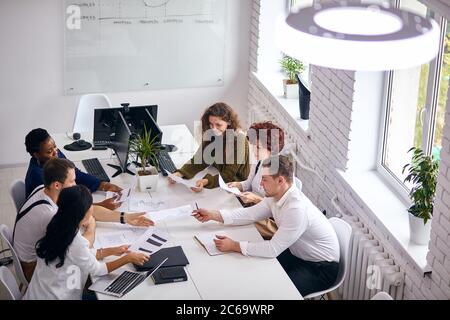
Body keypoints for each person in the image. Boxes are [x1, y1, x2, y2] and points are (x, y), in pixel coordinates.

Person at [192, 155, 340, 296]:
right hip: (296, 253)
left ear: (280, 181)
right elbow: (250, 214)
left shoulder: (296, 210)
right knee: (253, 272)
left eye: (264, 179)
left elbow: (272, 249)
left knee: (273, 294)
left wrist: (234, 245)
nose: (261, 185)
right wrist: (213, 215)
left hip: (319, 268)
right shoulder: (277, 195)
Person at [14, 158, 153, 282]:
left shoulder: (44, 189)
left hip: (42, 262)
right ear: (57, 185)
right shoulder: (49, 214)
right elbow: (82, 246)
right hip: (34, 269)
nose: (75, 184)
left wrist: (125, 217)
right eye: (72, 181)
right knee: (96, 280)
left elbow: (88, 210)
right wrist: (91, 226)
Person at [23, 185, 149, 300]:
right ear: (83, 215)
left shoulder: (56, 224)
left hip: (39, 292)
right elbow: (98, 270)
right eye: (91, 208)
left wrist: (112, 251)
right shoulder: (75, 240)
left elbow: (75, 255)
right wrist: (128, 258)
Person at [24, 128, 121, 209]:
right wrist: (101, 206)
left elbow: (75, 173)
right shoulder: (38, 176)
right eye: (49, 151)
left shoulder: (56, 156)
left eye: (55, 146)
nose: (55, 152)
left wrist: (103, 185)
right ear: (36, 155)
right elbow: (62, 206)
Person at [168, 102, 250, 192]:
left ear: (229, 122)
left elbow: (229, 175)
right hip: (218, 174)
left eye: (218, 125)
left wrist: (206, 181)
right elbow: (200, 159)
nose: (213, 128)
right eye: (211, 124)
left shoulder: (239, 140)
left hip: (235, 184)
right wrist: (180, 173)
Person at [227, 121, 288, 239]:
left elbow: (278, 209)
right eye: (253, 146)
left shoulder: (280, 174)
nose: (254, 151)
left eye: (258, 147)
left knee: (232, 225)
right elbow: (248, 184)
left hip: (269, 221)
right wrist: (237, 185)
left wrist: (255, 199)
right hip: (253, 210)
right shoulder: (259, 162)